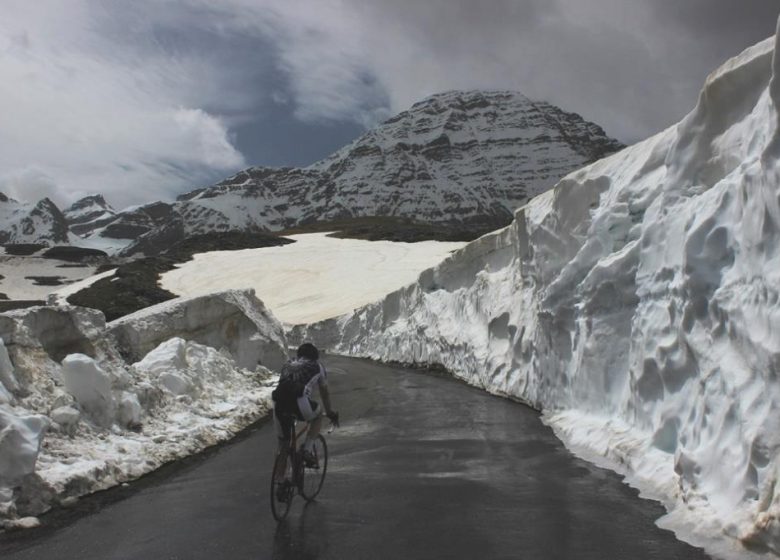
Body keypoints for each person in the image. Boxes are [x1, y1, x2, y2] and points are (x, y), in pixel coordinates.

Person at [272, 343, 338, 494]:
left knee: (283, 444)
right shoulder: (318, 366)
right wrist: (330, 412)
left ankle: (279, 480)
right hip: (300, 402)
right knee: (318, 414)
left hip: (278, 403)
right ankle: (307, 450)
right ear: (315, 356)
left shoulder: (288, 363)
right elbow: (324, 392)